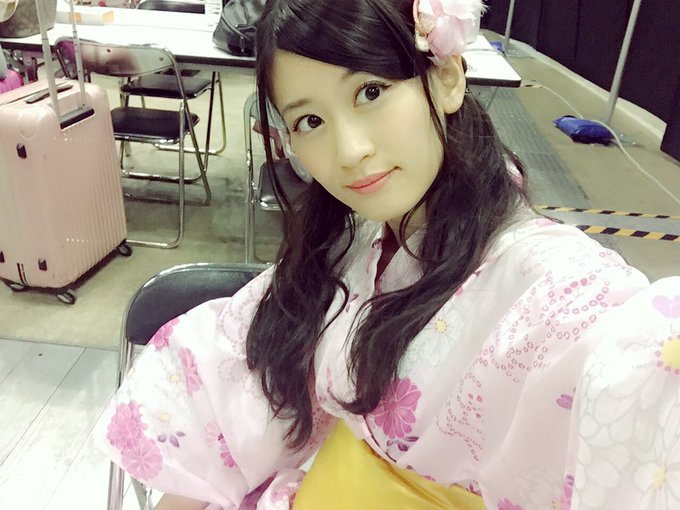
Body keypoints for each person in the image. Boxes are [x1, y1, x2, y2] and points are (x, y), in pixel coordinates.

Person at [97, 0, 680, 508]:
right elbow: (230, 370)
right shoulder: (350, 245)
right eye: (310, 120)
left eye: (370, 92)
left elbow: (633, 361)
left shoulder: (554, 289)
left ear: (446, 77)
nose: (349, 150)